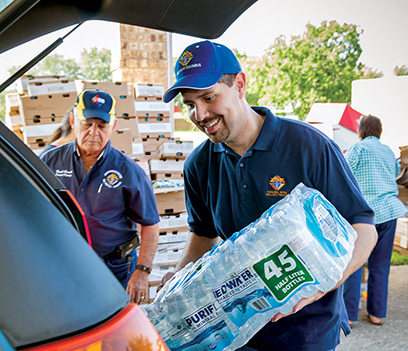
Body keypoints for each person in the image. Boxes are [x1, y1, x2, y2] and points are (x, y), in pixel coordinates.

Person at [158, 40, 378, 351]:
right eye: (190, 104)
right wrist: (179, 289)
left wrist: (326, 283)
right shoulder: (199, 165)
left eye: (209, 98)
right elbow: (203, 236)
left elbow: (363, 228)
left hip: (307, 332)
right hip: (236, 332)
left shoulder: (309, 147)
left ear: (239, 84)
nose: (200, 114)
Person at [41, 89, 160, 304]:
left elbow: (150, 224)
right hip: (63, 265)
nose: (94, 132)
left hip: (115, 268)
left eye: (102, 125)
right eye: (87, 124)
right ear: (73, 120)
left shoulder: (129, 170)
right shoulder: (50, 161)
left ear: (112, 126)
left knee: (114, 329)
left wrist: (142, 271)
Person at [343, 115, 407, 328]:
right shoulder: (388, 151)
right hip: (389, 212)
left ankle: (350, 316)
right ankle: (377, 314)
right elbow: (395, 175)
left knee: (355, 264)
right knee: (381, 266)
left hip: (363, 216)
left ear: (360, 131)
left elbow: (344, 173)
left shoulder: (357, 149)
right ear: (379, 131)